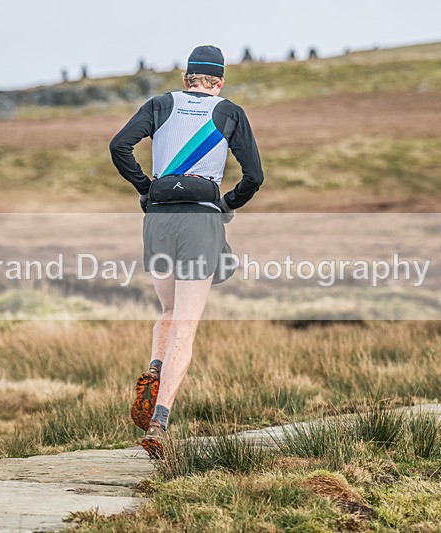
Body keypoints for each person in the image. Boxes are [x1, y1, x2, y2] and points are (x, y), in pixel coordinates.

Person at [109, 45, 265, 458]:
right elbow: (255, 176)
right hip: (200, 221)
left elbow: (119, 147)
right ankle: (159, 421)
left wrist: (147, 189)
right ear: (220, 82)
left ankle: (154, 368)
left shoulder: (160, 104)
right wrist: (227, 203)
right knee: (187, 325)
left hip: (158, 218)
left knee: (167, 312)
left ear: (185, 79)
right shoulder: (230, 112)